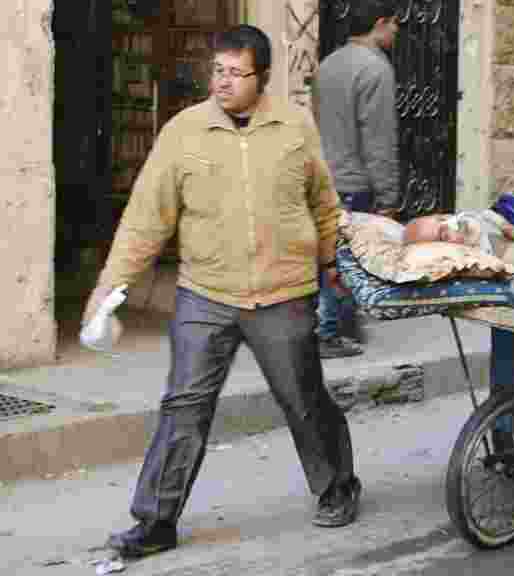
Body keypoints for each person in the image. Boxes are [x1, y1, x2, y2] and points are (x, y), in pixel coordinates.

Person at [82, 25, 362, 559]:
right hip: (205, 294)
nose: (223, 82)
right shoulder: (184, 132)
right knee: (183, 406)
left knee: (303, 399)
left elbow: (324, 204)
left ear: (263, 77)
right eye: (217, 71)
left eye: (236, 72)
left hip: (283, 292)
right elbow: (144, 220)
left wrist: (333, 263)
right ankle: (156, 520)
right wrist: (109, 286)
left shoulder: (294, 126)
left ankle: (337, 485)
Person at [315, 0, 401, 358]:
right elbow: (378, 140)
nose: (396, 31)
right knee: (345, 259)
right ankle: (328, 332)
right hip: (353, 182)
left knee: (326, 256)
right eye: (394, 24)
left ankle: (338, 326)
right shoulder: (375, 69)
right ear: (380, 23)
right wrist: (388, 198)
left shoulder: (327, 64)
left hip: (323, 177)